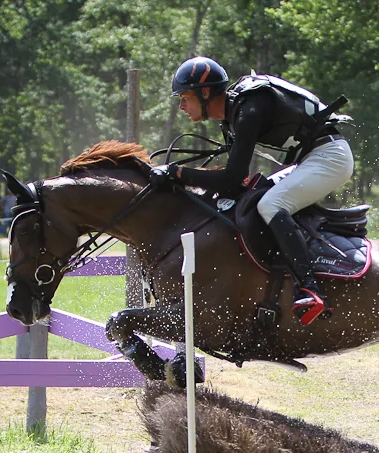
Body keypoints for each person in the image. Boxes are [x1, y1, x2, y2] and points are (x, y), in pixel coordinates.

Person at [151, 56, 354, 325]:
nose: (181, 106)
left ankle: (310, 288)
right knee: (253, 198)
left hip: (330, 157)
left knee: (270, 204)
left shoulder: (249, 109)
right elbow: (236, 182)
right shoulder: (233, 117)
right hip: (311, 159)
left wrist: (177, 173)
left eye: (185, 97)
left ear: (205, 92)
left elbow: (231, 177)